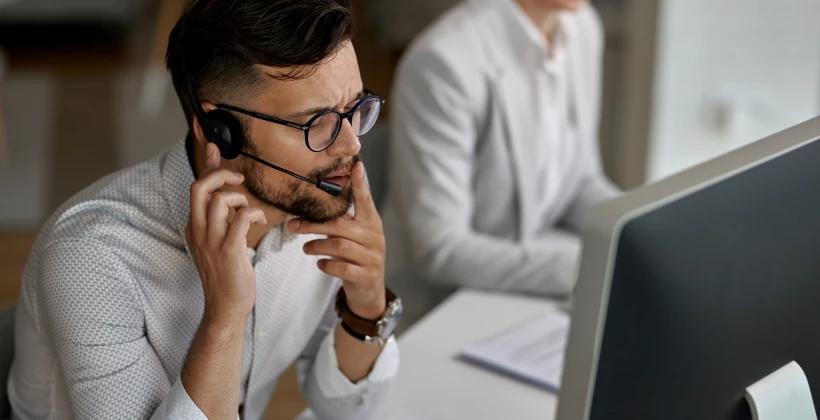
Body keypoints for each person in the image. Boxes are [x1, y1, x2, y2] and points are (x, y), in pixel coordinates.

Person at [8, 1, 402, 419]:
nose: (350, 146)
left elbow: (343, 409)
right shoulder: (91, 259)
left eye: (355, 109)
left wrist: (367, 306)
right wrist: (225, 317)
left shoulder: (321, 191)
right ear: (220, 130)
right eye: (315, 122)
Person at [383, 0, 620, 323]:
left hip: (525, 286)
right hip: (440, 310)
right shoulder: (444, 61)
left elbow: (579, 181)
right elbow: (440, 249)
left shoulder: (582, 28)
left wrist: (638, 232)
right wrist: (589, 267)